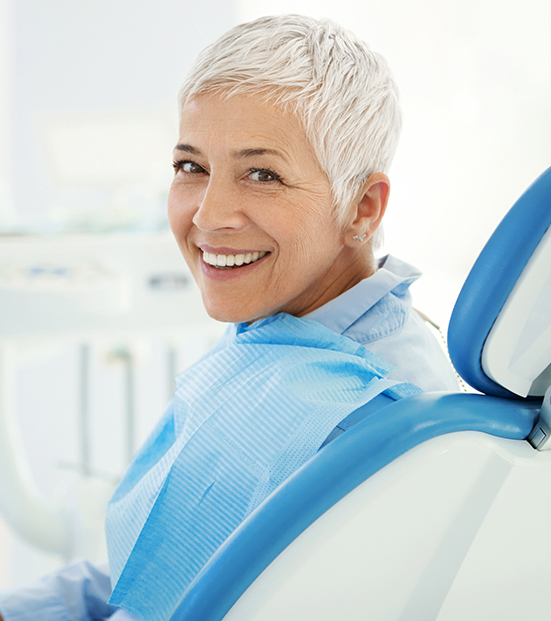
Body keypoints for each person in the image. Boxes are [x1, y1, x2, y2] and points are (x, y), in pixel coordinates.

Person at [0, 14, 458, 621]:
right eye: (190, 167)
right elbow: (142, 575)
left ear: (362, 208)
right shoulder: (284, 336)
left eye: (262, 174)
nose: (209, 215)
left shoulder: (368, 417)